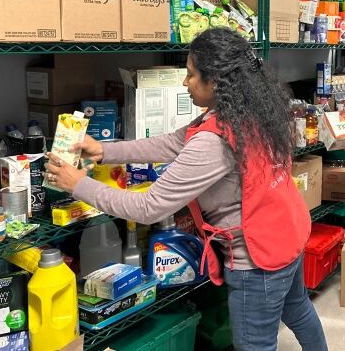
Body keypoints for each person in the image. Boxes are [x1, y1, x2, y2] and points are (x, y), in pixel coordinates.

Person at [44, 28, 328, 351]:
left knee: (256, 345)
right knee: (299, 309)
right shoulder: (246, 111)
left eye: (191, 75)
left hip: (257, 260)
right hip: (288, 232)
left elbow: (149, 208)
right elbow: (172, 142)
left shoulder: (214, 141)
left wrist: (79, 184)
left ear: (216, 82)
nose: (185, 83)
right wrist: (106, 151)